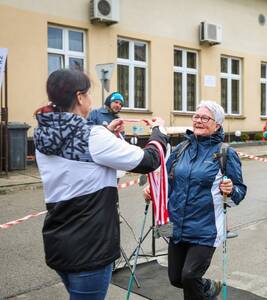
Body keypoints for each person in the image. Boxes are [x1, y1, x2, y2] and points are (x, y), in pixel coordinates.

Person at [33, 69, 169, 300]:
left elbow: (77, 157)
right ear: (79, 97)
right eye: (88, 94)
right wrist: (159, 131)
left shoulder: (44, 134)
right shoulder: (93, 137)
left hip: (59, 240)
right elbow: (149, 161)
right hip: (90, 246)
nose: (90, 100)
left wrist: (106, 133)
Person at [144, 101, 247, 300]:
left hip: (206, 229)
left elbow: (240, 192)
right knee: (176, 278)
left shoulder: (225, 153)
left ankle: (202, 289)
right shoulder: (181, 148)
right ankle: (208, 289)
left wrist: (231, 189)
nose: (198, 121)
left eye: (205, 118)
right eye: (196, 117)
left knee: (190, 276)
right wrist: (152, 190)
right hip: (177, 226)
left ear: (217, 124)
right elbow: (166, 179)